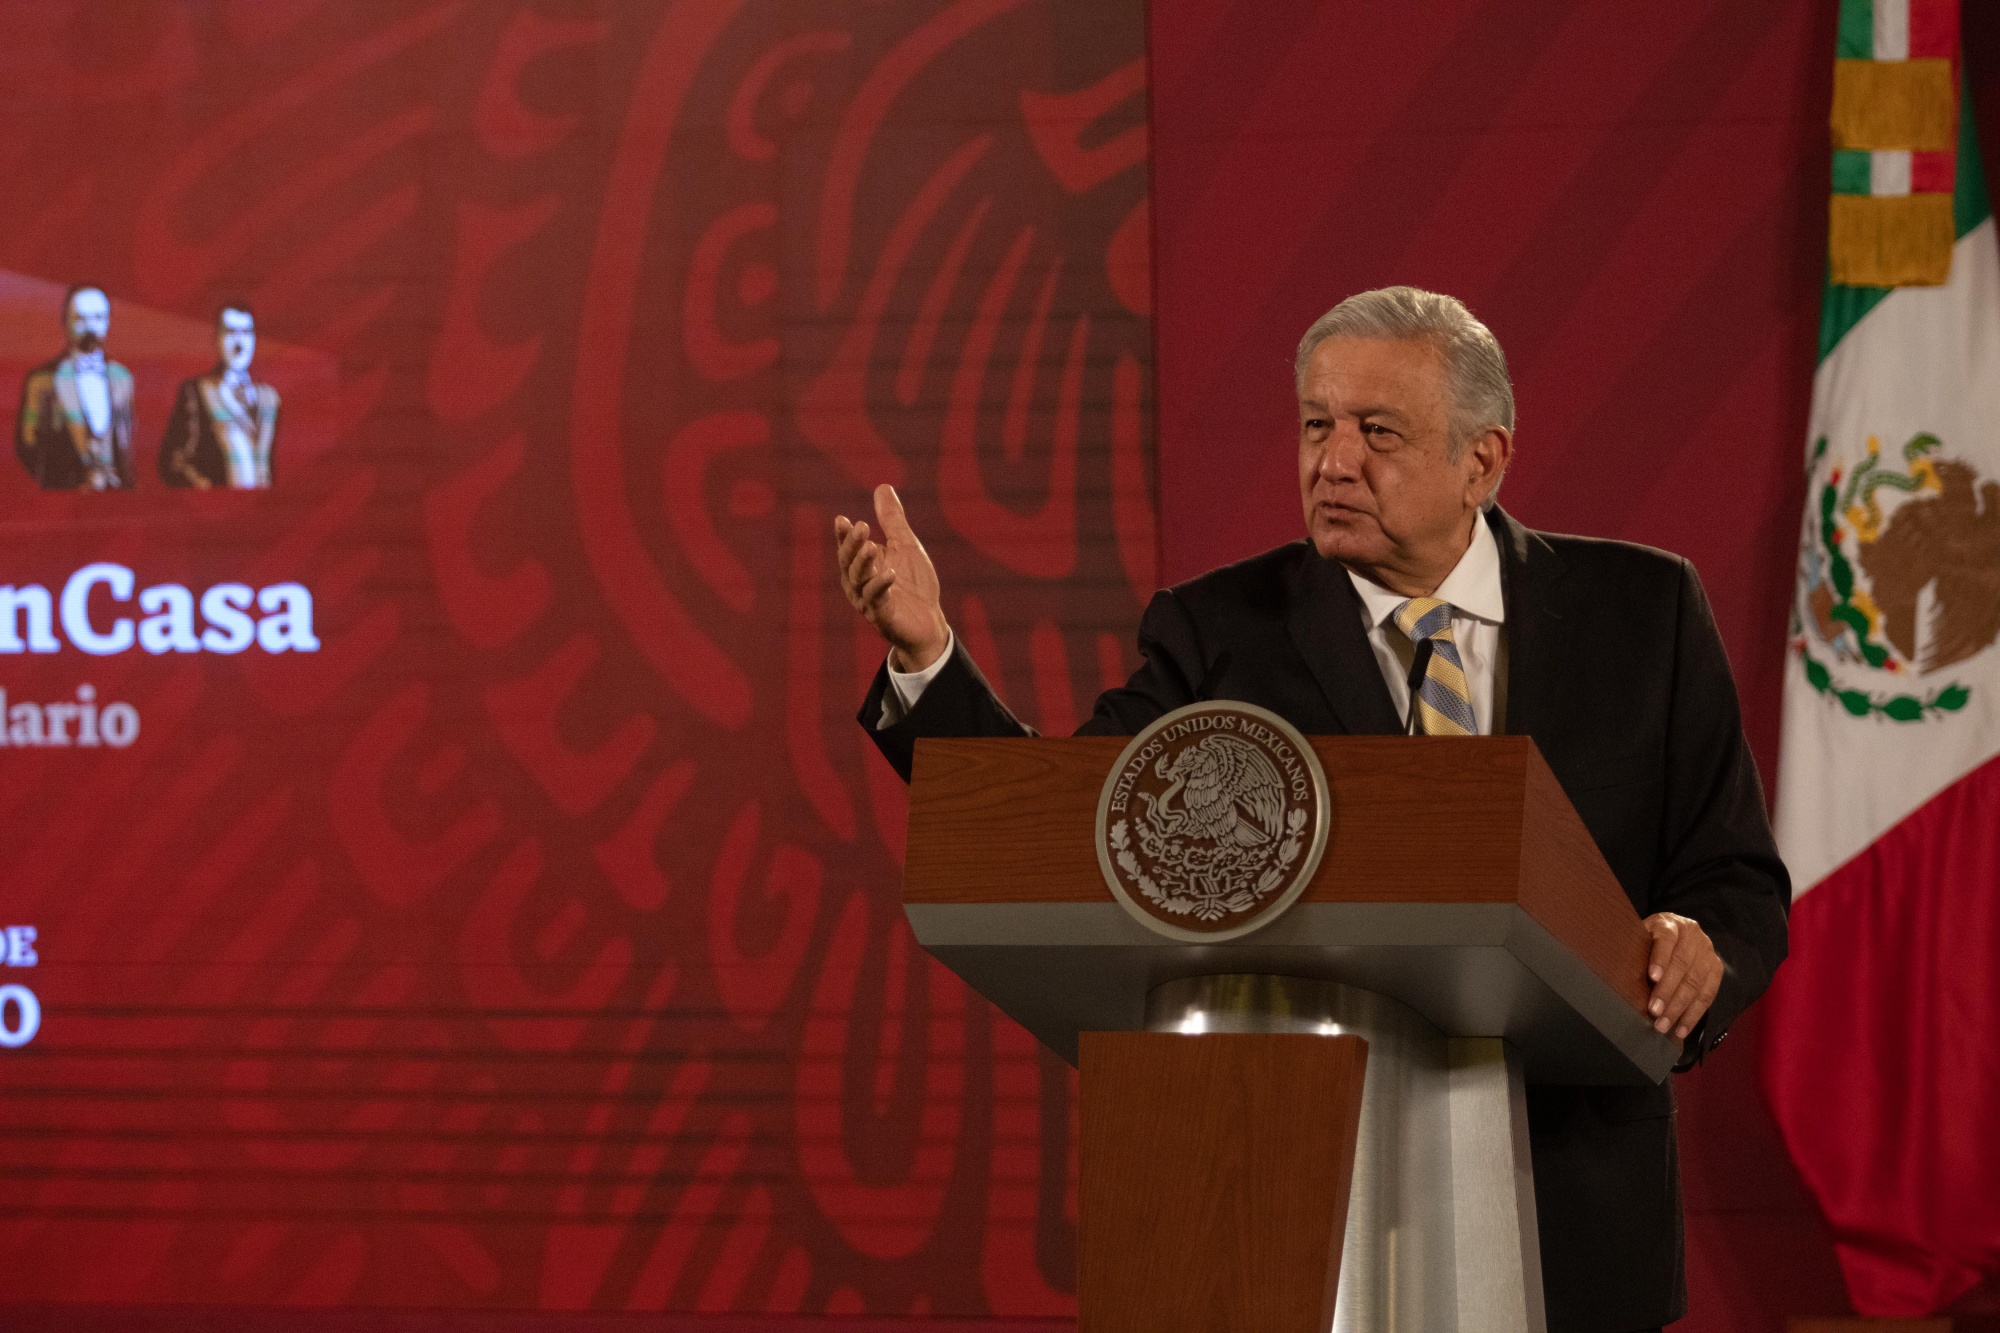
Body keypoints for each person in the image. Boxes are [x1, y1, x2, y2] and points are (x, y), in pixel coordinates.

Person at [834, 286, 1789, 1333]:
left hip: (1567, 1215)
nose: (1331, 461)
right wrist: (927, 659)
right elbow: (1062, 826)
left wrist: (1698, 951)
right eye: (1314, 425)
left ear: (1483, 458)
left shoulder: (1641, 613)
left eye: (1376, 432)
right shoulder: (1218, 632)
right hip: (1282, 1209)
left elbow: (1733, 880)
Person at [16, 284, 135, 490]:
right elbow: (27, 445)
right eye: (81, 319)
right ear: (66, 321)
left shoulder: (121, 378)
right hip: (66, 498)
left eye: (98, 318)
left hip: (117, 497)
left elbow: (128, 442)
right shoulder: (42, 381)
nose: (91, 327)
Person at [159, 303, 279, 489]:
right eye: (231, 333)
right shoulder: (197, 390)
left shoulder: (269, 398)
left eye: (246, 333)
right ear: (216, 338)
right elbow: (173, 463)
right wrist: (207, 491)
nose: (240, 343)